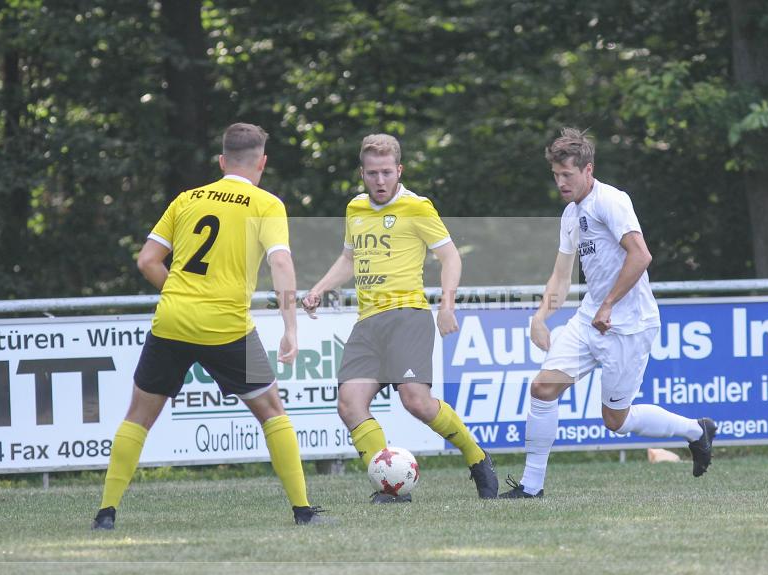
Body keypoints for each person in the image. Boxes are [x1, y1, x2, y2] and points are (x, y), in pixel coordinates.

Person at [92, 123, 328, 527]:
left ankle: (106, 513)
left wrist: (184, 294)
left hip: (173, 322)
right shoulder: (266, 203)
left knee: (138, 417)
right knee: (272, 412)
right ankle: (303, 512)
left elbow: (147, 260)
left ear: (222, 161)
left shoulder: (186, 200)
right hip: (228, 328)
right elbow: (281, 262)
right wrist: (291, 327)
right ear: (262, 162)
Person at [500, 128, 716, 499]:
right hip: (589, 321)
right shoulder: (570, 215)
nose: (561, 183)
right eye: (556, 175)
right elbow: (561, 276)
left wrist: (609, 303)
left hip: (628, 326)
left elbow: (641, 255)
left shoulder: (611, 201)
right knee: (542, 388)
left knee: (615, 421)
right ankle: (531, 487)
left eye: (567, 174)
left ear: (588, 169)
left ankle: (697, 431)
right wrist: (539, 318)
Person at [302, 133, 498, 502]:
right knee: (349, 403)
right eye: (372, 174)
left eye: (387, 173)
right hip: (368, 321)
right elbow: (349, 259)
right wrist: (319, 288)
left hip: (407, 315)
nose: (380, 181)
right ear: (362, 173)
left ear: (399, 171)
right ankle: (390, 487)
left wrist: (447, 306)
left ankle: (478, 459)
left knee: (416, 401)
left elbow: (451, 257)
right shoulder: (355, 209)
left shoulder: (418, 207)